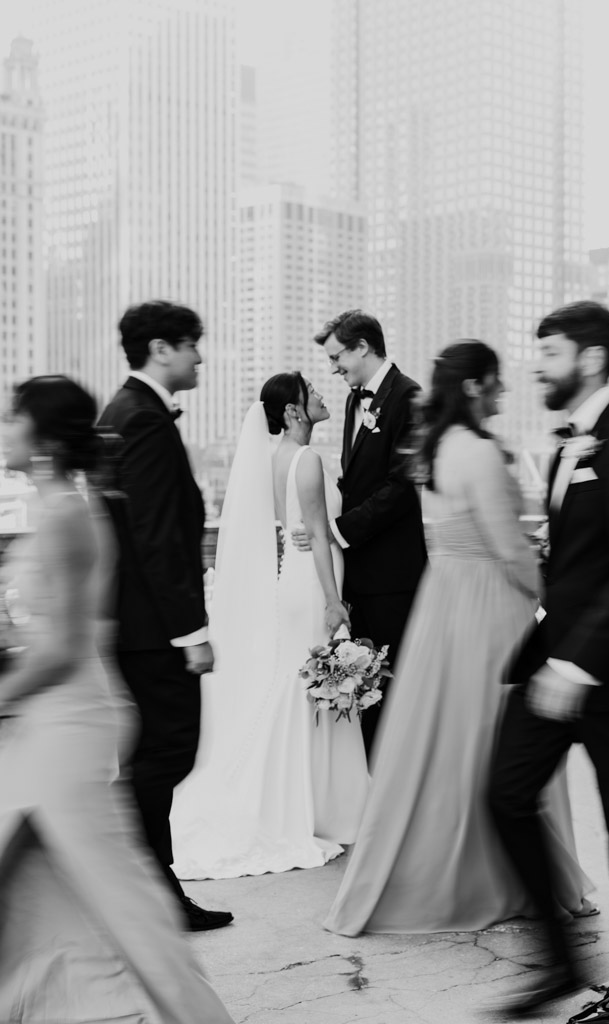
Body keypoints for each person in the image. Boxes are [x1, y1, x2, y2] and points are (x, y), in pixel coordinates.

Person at [324, 342, 594, 937]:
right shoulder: (477, 453)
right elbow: (510, 550)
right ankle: (518, 877)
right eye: (495, 383)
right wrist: (545, 600)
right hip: (489, 605)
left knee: (447, 742)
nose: (502, 392)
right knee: (507, 740)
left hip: (443, 604)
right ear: (473, 387)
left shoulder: (434, 449)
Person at [0, 375, 234, 1024]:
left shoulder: (72, 516)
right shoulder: (55, 511)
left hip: (70, 728)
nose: (4, 428)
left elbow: (69, 647)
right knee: (44, 892)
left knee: (120, 896)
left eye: (14, 418)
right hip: (47, 722)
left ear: (44, 439)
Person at [488, 301, 609, 1022]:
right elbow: (583, 560)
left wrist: (575, 667)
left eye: (550, 352)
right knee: (503, 794)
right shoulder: (572, 441)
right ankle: (559, 963)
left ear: (591, 359)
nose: (538, 365)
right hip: (552, 665)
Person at [171, 373, 369, 879]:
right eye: (312, 395)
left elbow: (296, 529)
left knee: (302, 684)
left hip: (292, 574)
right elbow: (320, 536)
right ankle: (309, 804)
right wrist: (333, 601)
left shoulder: (273, 457)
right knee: (306, 686)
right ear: (292, 412)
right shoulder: (305, 460)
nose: (323, 397)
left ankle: (313, 799)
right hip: (310, 584)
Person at [98, 300, 233, 930]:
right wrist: (192, 632)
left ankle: (149, 890)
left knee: (153, 755)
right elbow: (156, 538)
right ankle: (142, 888)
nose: (200, 356)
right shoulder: (144, 421)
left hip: (131, 625)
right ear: (160, 349)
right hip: (155, 630)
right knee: (168, 753)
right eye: (191, 345)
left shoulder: (120, 414)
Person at [304, 310, 427, 757]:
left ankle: (397, 788)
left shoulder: (410, 398)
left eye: (338, 356)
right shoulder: (357, 400)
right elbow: (354, 482)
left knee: (394, 690)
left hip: (394, 574)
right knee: (368, 689)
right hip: (360, 572)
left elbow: (401, 487)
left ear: (362, 347)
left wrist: (336, 530)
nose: (333, 368)